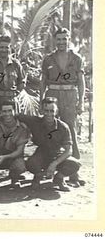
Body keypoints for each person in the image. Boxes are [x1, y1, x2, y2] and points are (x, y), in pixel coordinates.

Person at [0, 97, 81, 191]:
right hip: (41, 153)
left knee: (75, 164)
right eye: (46, 111)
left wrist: (54, 164)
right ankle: (38, 177)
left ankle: (59, 178)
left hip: (57, 153)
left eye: (52, 111)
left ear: (56, 111)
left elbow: (69, 150)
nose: (49, 114)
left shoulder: (63, 127)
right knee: (31, 164)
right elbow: (14, 115)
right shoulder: (35, 121)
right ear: (42, 111)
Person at [40, 28, 86, 187]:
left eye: (64, 39)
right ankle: (49, 168)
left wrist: (80, 101)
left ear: (69, 39)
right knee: (51, 131)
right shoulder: (48, 59)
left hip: (69, 96)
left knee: (70, 131)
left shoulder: (76, 58)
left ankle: (73, 173)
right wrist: (41, 100)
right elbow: (43, 81)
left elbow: (81, 81)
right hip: (52, 94)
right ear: (55, 40)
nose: (61, 42)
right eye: (58, 39)